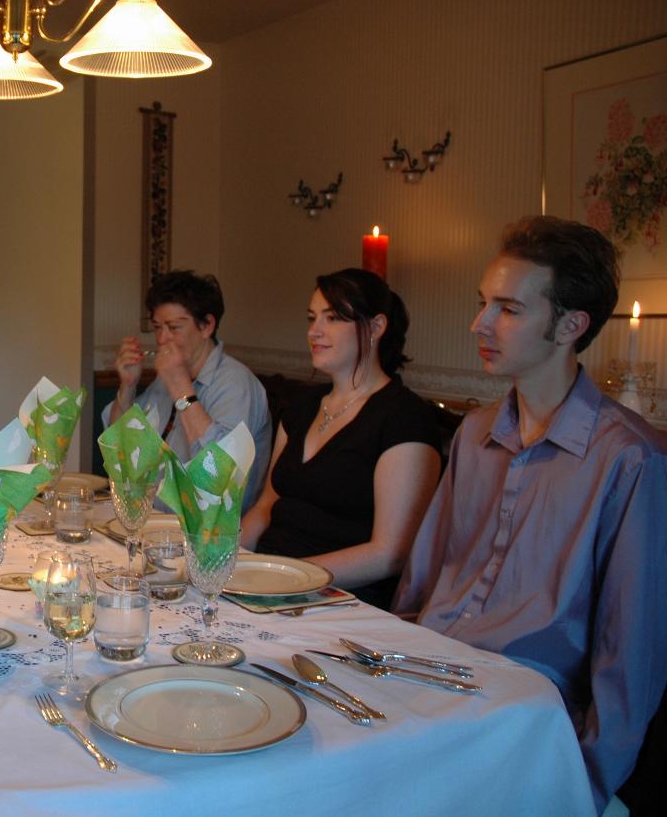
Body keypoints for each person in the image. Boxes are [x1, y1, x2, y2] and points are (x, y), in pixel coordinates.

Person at [393, 216, 667, 813]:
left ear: (571, 325)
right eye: (482, 304)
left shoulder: (629, 459)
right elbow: (424, 578)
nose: (480, 325)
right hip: (421, 677)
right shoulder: (473, 433)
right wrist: (388, 662)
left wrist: (585, 783)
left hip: (516, 714)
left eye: (508, 310)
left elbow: (632, 653)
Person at [238, 269, 441, 608]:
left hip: (342, 596)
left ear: (376, 327)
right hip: (269, 580)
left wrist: (287, 577)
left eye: (332, 318)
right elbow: (267, 504)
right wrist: (228, 561)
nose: (314, 331)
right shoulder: (303, 405)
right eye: (312, 318)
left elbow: (389, 554)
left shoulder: (404, 417)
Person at [105, 269, 271, 511]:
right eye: (157, 327)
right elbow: (120, 452)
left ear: (206, 326)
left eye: (174, 327)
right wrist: (127, 387)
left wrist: (180, 387)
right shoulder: (166, 380)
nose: (162, 339)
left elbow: (218, 477)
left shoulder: (236, 385)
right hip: (151, 519)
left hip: (207, 534)